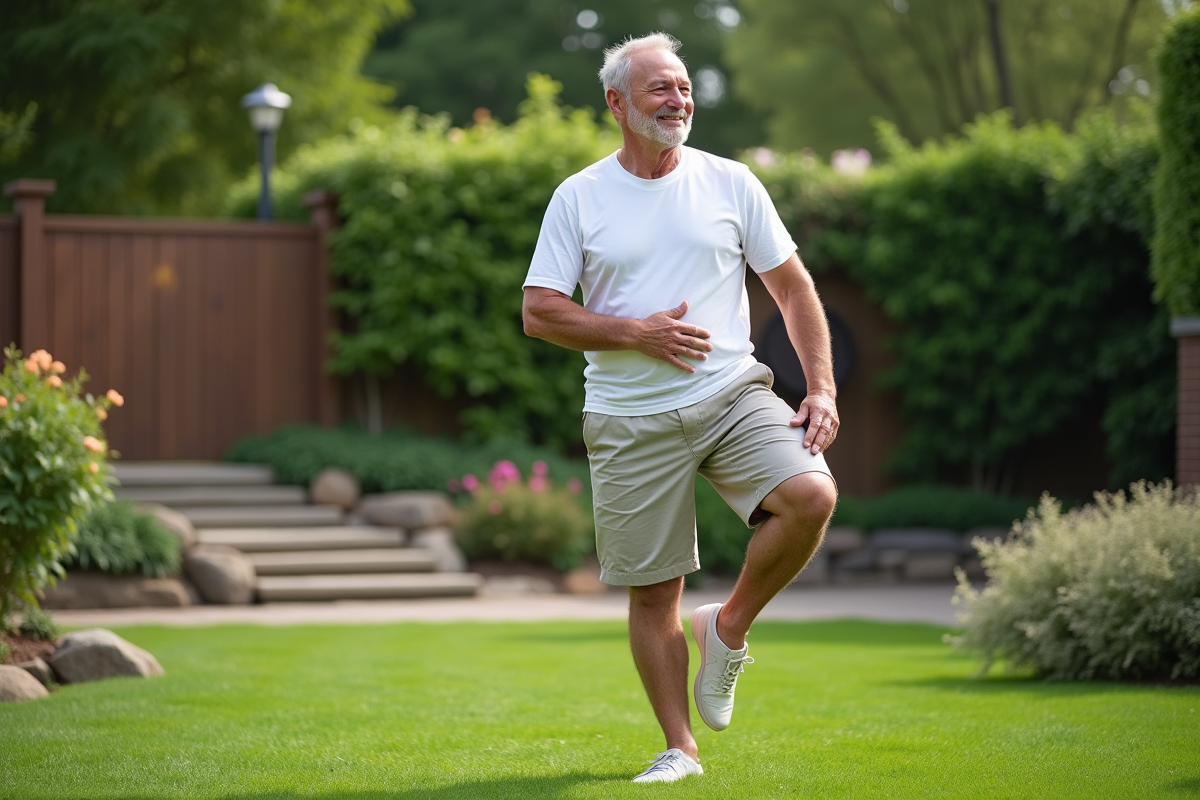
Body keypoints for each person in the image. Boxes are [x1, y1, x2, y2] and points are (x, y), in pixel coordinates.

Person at [521, 32, 840, 784]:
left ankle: (726, 627)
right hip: (629, 418)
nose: (678, 100)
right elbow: (539, 312)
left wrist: (820, 387)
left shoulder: (731, 182)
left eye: (684, 86)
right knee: (654, 589)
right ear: (618, 103)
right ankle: (680, 749)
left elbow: (794, 290)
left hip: (730, 391)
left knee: (810, 495)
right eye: (660, 88)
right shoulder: (580, 196)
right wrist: (636, 332)